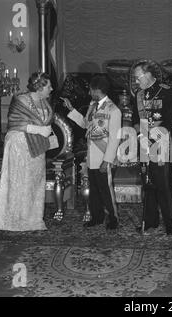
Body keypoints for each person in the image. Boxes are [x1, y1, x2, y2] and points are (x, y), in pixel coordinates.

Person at [0, 71, 54, 231]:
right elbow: (14, 123)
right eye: (48, 86)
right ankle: (15, 220)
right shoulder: (21, 100)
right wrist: (38, 130)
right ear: (40, 87)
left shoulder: (44, 102)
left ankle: (32, 219)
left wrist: (42, 131)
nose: (52, 88)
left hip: (37, 146)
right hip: (20, 145)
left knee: (34, 182)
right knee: (20, 182)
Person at [62, 76, 121, 230]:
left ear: (96, 91)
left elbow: (114, 139)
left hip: (103, 155)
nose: (88, 92)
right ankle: (97, 217)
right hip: (91, 155)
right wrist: (71, 109)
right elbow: (85, 124)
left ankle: (113, 218)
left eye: (90, 90)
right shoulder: (92, 105)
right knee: (94, 189)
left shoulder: (113, 110)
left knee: (106, 190)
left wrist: (107, 160)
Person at [131, 61, 172, 235]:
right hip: (143, 143)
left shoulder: (166, 93)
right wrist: (140, 136)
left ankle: (170, 225)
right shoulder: (138, 95)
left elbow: (170, 121)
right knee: (147, 183)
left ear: (148, 74)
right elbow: (136, 120)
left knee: (163, 185)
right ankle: (150, 222)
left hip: (161, 144)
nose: (137, 82)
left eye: (138, 78)